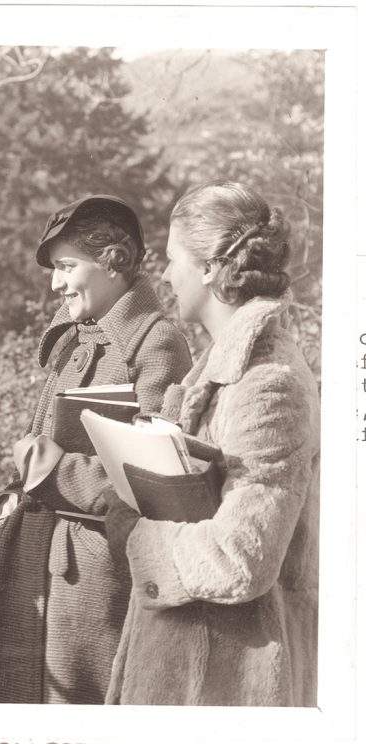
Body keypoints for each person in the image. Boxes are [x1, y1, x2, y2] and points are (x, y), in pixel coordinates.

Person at [104, 181, 319, 706]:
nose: (165, 275)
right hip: (196, 661)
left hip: (227, 677)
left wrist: (137, 533)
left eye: (174, 258)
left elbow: (238, 558)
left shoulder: (268, 382)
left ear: (208, 268)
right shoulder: (224, 368)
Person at [0, 195, 192, 704]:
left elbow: (157, 480)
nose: (55, 283)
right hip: (33, 567)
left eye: (66, 267)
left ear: (114, 261)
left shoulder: (157, 344)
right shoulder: (76, 339)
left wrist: (52, 469)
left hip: (91, 586)